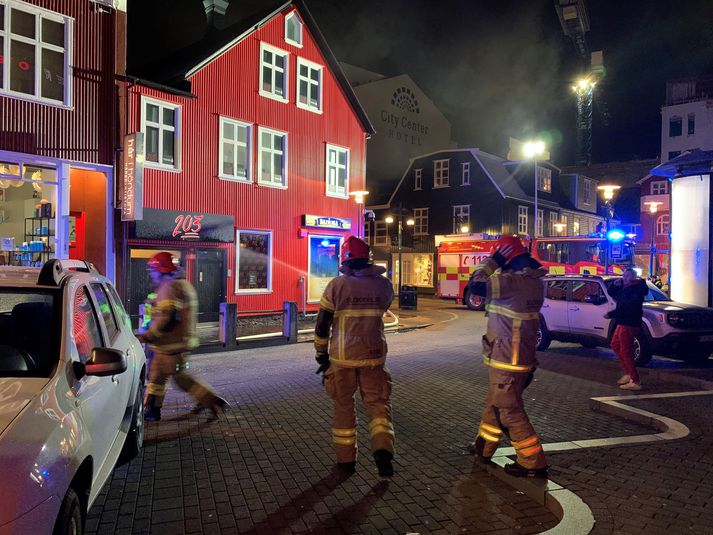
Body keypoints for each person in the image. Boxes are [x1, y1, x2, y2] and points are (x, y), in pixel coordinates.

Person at [467, 236, 549, 478]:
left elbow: (476, 285)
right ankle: (484, 448)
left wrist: (491, 261)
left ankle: (533, 462)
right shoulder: (533, 282)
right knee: (495, 405)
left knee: (508, 410)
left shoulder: (511, 282)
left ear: (506, 259)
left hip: (508, 358)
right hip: (519, 356)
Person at [314, 236, 395, 477]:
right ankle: (383, 452)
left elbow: (322, 324)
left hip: (342, 358)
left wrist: (321, 354)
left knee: (344, 406)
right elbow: (383, 308)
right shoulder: (384, 285)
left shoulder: (337, 286)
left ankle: (346, 461)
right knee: (378, 405)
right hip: (374, 356)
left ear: (345, 259)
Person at [139, 252, 229, 421]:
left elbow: (168, 316)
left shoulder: (169, 287)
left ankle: (212, 400)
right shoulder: (182, 285)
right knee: (158, 376)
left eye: (153, 270)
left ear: (162, 270)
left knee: (179, 379)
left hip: (170, 345)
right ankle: (153, 410)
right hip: (175, 344)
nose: (151, 274)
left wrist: (148, 335)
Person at [605, 268, 648, 390]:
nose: (623, 278)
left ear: (632, 277)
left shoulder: (635, 290)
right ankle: (628, 373)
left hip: (628, 323)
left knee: (625, 350)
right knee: (615, 344)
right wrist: (615, 285)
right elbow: (612, 293)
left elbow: (627, 307)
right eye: (623, 276)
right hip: (622, 322)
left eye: (626, 276)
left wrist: (611, 314)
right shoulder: (626, 288)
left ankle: (635, 380)